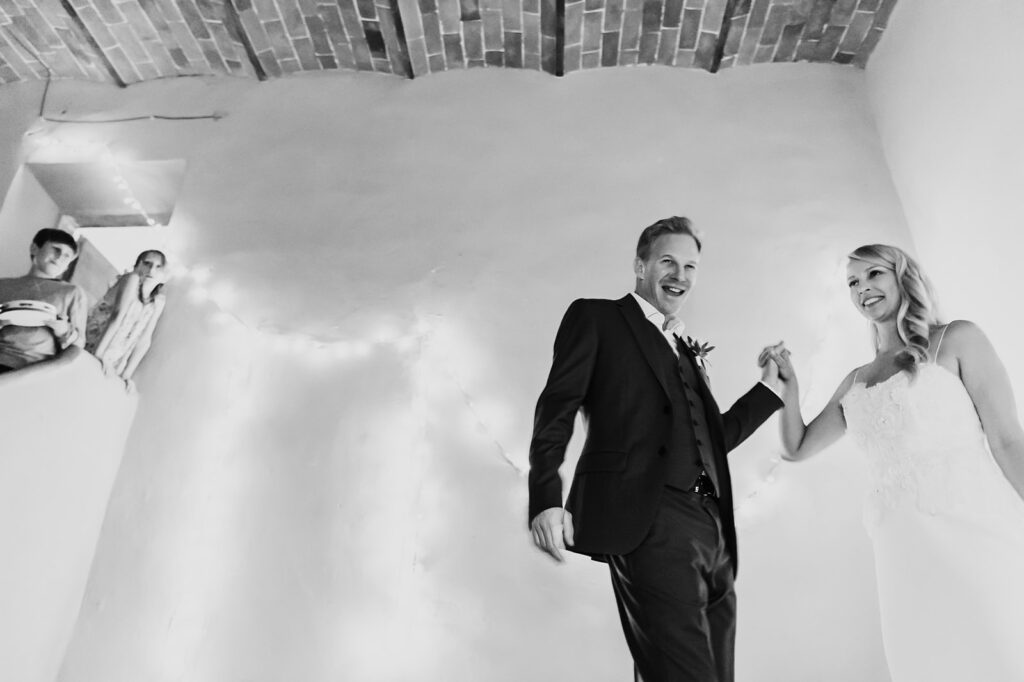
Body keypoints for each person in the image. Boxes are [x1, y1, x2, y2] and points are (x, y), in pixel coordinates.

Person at [528, 216, 786, 682]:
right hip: (647, 518)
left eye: (690, 266)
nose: (680, 275)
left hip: (714, 530)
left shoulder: (686, 348)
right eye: (668, 261)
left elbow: (710, 440)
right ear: (640, 264)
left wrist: (768, 391)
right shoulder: (598, 317)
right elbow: (557, 408)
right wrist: (545, 496)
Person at [773, 244, 1024, 681]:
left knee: (999, 645)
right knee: (930, 661)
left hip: (973, 528)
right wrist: (787, 390)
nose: (863, 288)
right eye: (853, 282)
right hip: (903, 552)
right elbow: (797, 447)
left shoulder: (957, 339)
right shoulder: (857, 380)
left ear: (901, 276)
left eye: (873, 274)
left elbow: (1006, 439)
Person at [0, 228, 87, 376]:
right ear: (34, 248)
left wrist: (64, 331)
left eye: (67, 256)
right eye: (56, 249)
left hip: (36, 370)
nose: (59, 257)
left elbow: (79, 344)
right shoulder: (3, 285)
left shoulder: (72, 292)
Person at [85, 249, 168, 389]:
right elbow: (117, 316)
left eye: (158, 266)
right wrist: (98, 354)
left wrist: (127, 375)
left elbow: (145, 340)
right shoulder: (131, 279)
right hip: (97, 344)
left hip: (116, 359)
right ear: (137, 265)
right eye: (147, 263)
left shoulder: (157, 302)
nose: (151, 270)